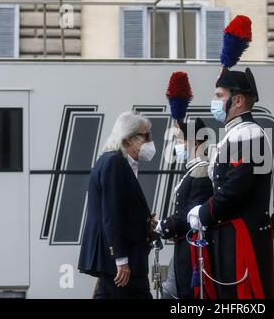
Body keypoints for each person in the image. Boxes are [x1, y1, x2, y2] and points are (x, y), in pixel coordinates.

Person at [187, 68, 274, 299]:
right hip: (228, 235)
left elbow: (235, 189)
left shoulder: (250, 134)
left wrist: (204, 212)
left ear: (237, 100)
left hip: (242, 237)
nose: (214, 102)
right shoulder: (234, 134)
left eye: (219, 96)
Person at [78, 111, 157, 299]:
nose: (150, 142)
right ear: (128, 139)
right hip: (122, 259)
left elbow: (123, 209)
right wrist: (121, 259)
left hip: (118, 259)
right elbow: (112, 215)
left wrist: (146, 222)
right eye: (146, 136)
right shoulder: (114, 162)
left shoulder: (114, 161)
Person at [155, 118, 213, 299]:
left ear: (194, 143)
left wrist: (161, 225)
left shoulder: (201, 171)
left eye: (180, 141)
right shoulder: (192, 170)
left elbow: (190, 214)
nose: (177, 146)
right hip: (183, 247)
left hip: (192, 249)